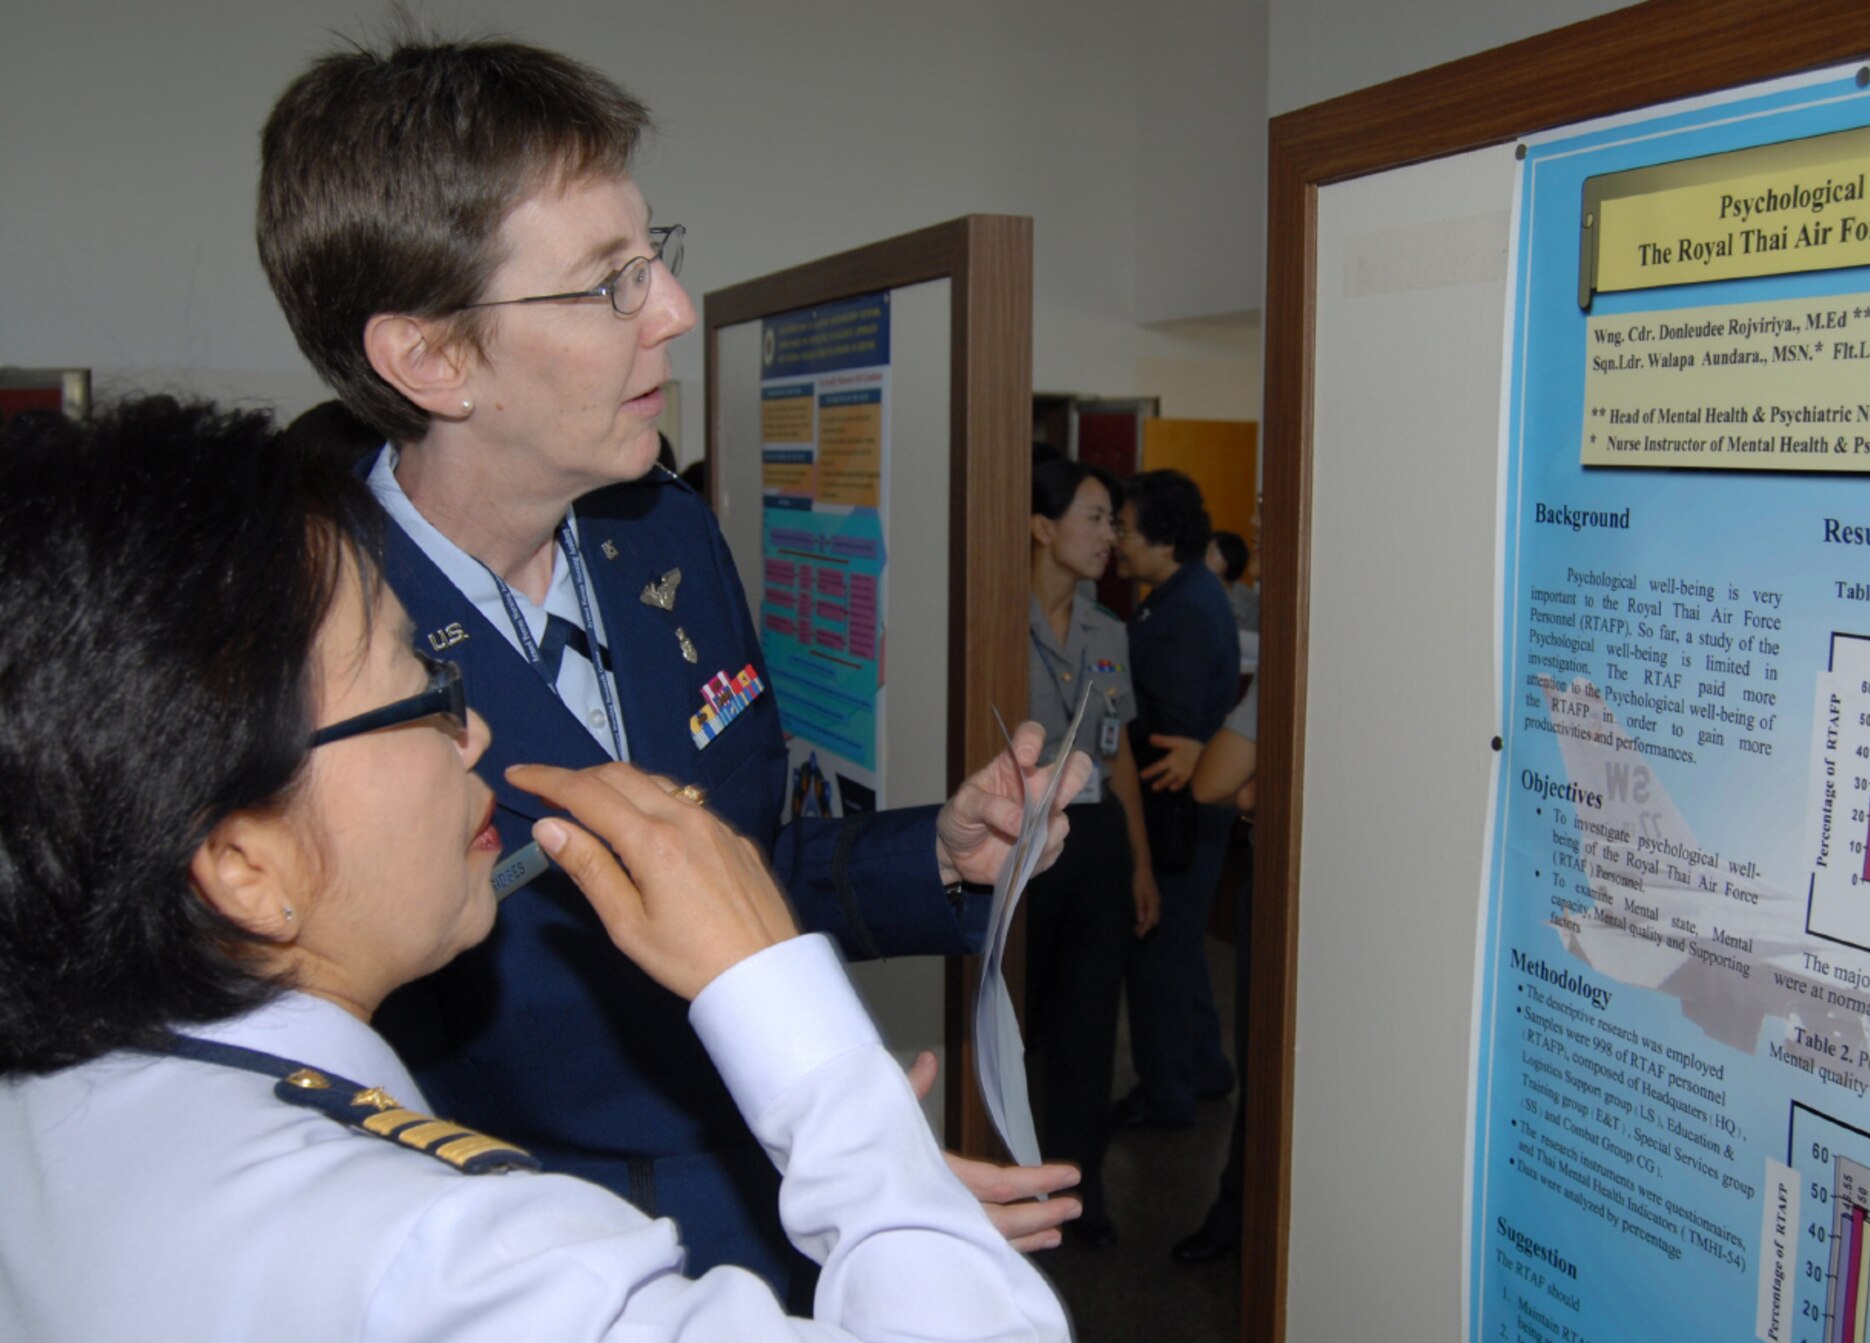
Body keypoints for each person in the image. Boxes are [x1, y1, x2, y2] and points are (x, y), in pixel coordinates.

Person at [255, 34, 1081, 1290]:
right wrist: (835, 1177)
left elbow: (726, 864)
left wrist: (934, 852)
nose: (675, 311)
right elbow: (338, 1100)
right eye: (606, 283)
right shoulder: (306, 640)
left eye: (654, 256)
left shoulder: (666, 533)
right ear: (427, 357)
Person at [0, 397, 1069, 1340]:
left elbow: (750, 840)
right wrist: (840, 1103)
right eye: (418, 687)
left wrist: (929, 857)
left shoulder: (64, 1108)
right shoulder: (445, 1260)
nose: (469, 736)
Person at [1024, 457, 1161, 1246]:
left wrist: (1141, 862)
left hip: (1098, 837)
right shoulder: (996, 614)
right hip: (1024, 840)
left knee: (1086, 1024)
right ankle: (1008, 1184)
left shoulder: (1111, 629)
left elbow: (1122, 758)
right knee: (1020, 1016)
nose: (1110, 535)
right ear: (1044, 527)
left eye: (1114, 521)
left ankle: (1080, 1198)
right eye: (1095, 517)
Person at [1111, 469, 1241, 1130]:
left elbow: (1178, 735)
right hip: (1190, 813)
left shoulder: (1185, 611)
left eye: (1125, 530)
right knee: (1183, 948)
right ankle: (1205, 1065)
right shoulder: (1179, 593)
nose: (1115, 541)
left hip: (1177, 812)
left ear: (1164, 541)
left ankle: (1167, 1094)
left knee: (1158, 951)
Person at [1145, 673, 1260, 1262]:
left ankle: (1241, 1221)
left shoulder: (1301, 651)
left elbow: (1222, 784)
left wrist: (1207, 757)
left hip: (1283, 887)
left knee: (1269, 1069)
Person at [1206, 529, 1259, 634]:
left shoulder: (1248, 600)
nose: (1204, 557)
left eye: (1211, 553)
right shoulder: (1194, 589)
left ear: (1228, 558)